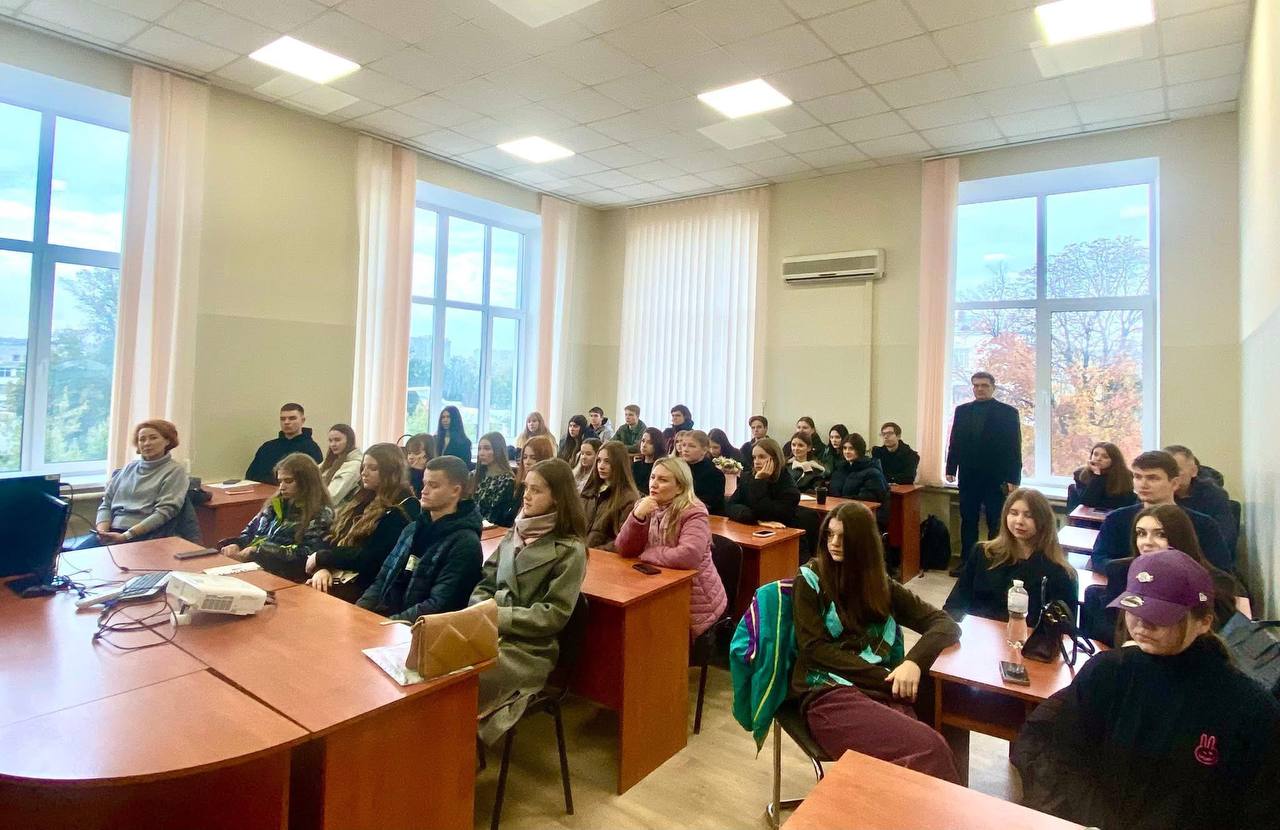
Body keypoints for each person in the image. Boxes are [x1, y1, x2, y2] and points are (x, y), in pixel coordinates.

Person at [1011, 550, 1280, 830]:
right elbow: (1062, 757)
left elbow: (1260, 811)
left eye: (1160, 616)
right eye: (1134, 609)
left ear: (1204, 621)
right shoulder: (1107, 673)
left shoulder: (1249, 709)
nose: (1142, 623)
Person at [792, 502, 961, 781]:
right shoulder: (810, 578)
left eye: (844, 537)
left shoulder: (879, 583)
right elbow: (814, 650)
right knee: (930, 748)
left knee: (942, 716)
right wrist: (885, 677)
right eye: (830, 535)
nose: (834, 543)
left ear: (864, 543)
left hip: (877, 688)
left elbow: (945, 624)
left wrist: (912, 663)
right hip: (827, 691)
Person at [471, 458, 587, 745]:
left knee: (462, 681)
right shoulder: (516, 532)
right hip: (488, 628)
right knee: (439, 669)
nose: (527, 496)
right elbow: (486, 581)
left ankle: (455, 753)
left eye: (536, 490)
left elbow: (553, 614)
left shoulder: (570, 550)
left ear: (557, 497)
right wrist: (480, 609)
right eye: (526, 488)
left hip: (529, 649)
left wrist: (498, 616)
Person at [1080, 503, 1240, 646]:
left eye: (1161, 534)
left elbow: (1219, 637)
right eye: (1141, 533)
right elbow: (1114, 630)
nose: (1147, 542)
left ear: (1180, 538)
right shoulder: (1121, 571)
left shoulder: (1216, 581)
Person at [357, 456, 483, 621]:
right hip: (388, 620)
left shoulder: (465, 544)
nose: (424, 491)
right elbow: (382, 579)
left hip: (420, 629)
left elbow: (439, 605)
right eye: (424, 484)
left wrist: (387, 624)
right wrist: (360, 613)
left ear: (455, 491)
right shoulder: (412, 529)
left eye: (433, 485)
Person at [616, 456, 727, 638]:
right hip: (658, 587)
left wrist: (649, 553)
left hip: (696, 601)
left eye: (663, 480)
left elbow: (688, 556)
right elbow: (623, 549)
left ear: (680, 487)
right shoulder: (646, 505)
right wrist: (637, 517)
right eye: (653, 477)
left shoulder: (694, 511)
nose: (654, 484)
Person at [943, 488, 1077, 624]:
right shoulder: (983, 553)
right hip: (979, 633)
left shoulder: (1061, 573)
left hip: (1029, 636)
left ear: (1043, 521)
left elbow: (1064, 628)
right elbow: (954, 606)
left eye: (1029, 516)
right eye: (1013, 513)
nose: (1019, 521)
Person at [306, 443, 421, 599]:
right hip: (335, 574)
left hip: (364, 588)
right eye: (363, 467)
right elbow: (329, 535)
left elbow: (371, 558)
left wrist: (323, 557)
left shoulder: (404, 507)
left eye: (373, 468)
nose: (364, 473)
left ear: (391, 472)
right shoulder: (363, 497)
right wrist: (321, 568)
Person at [1090, 451, 1231, 571]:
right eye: (1138, 477)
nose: (1143, 484)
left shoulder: (1203, 524)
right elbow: (1099, 559)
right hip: (1128, 587)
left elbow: (1220, 569)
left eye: (1152, 478)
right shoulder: (1116, 519)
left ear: (1174, 483)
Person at [945, 372, 1022, 575]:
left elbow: (1014, 447)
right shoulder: (962, 411)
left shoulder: (1008, 412)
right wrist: (950, 468)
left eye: (984, 385)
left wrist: (1014, 478)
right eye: (976, 385)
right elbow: (955, 441)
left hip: (996, 477)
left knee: (995, 521)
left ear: (993, 387)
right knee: (968, 520)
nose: (980, 389)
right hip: (968, 476)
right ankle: (967, 563)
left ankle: (994, 563)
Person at [221, 453, 334, 582]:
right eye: (280, 481)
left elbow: (307, 556)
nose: (282, 487)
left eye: (288, 481)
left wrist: (259, 552)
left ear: (306, 482)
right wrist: (236, 545)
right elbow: (249, 534)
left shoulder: (320, 513)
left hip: (288, 577)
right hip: (258, 570)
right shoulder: (274, 505)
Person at [93, 419, 188, 545]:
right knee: (73, 554)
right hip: (112, 531)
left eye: (153, 438)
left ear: (167, 441)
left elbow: (163, 513)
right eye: (142, 439)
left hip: (144, 535)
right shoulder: (129, 468)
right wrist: (102, 533)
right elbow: (106, 504)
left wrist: (126, 536)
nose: (147, 443)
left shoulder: (175, 471)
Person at [1166, 444, 1237, 553]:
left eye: (1176, 470)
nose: (1170, 476)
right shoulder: (1151, 494)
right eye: (1165, 471)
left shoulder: (1213, 495)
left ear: (1193, 471)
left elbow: (1225, 538)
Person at [727, 437, 800, 527]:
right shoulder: (747, 477)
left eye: (762, 457)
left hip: (780, 532)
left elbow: (769, 514)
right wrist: (753, 518)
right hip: (751, 528)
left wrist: (758, 482)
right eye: (754, 457)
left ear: (775, 459)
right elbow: (730, 506)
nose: (756, 462)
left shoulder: (787, 485)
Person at [581, 440, 640, 550]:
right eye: (599, 460)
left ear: (619, 464)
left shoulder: (628, 498)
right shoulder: (589, 491)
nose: (601, 466)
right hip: (581, 550)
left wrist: (595, 551)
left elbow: (622, 540)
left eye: (607, 461)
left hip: (601, 555)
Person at [245, 402, 323, 483]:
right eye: (283, 419)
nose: (286, 422)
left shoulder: (311, 449)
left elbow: (314, 482)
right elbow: (250, 476)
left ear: (302, 420)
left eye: (292, 418)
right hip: (261, 490)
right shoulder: (267, 447)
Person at [829, 433, 890, 526]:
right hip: (839, 514)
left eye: (851, 448)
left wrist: (839, 502)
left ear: (859, 450)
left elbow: (867, 500)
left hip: (862, 518)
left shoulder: (872, 472)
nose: (847, 452)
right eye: (845, 448)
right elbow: (832, 492)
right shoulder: (840, 470)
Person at [1066, 442, 1137, 512]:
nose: (1098, 459)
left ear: (1114, 460)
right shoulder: (1080, 473)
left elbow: (1124, 503)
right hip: (1087, 516)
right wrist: (1097, 474)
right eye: (1095, 454)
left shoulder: (1125, 475)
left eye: (1105, 457)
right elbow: (1088, 502)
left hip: (1116, 514)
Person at [508, 434, 556, 528]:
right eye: (525, 457)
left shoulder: (549, 486)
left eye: (533, 458)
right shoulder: (521, 484)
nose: (527, 462)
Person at [470, 432, 517, 527]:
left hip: (489, 527)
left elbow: (497, 516)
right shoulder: (474, 475)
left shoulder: (507, 480)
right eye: (479, 449)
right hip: (469, 524)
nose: (481, 453)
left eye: (487, 448)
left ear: (498, 451)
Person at [679, 429, 726, 516]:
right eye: (683, 445)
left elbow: (710, 504)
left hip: (705, 516)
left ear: (704, 450)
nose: (685, 449)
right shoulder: (677, 469)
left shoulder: (714, 474)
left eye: (692, 446)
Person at [319, 423, 361, 504]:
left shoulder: (354, 465)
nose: (333, 444)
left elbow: (332, 497)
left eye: (337, 440)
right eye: (330, 441)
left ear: (349, 441)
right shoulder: (329, 462)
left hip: (336, 509)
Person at [632, 426, 667, 493]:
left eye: (650, 442)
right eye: (643, 441)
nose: (644, 445)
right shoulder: (636, 465)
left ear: (657, 445)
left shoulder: (660, 468)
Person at [403, 433, 436, 497]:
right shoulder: (406, 472)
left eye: (416, 453)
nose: (410, 457)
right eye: (409, 453)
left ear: (427, 454)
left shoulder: (434, 474)